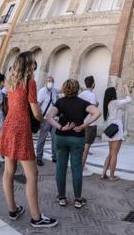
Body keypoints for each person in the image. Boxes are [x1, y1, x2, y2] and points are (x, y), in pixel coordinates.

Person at [0, 51, 58, 228]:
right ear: (29, 65)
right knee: (32, 174)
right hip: (21, 129)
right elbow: (35, 111)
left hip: (8, 126)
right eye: (33, 64)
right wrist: (43, 118)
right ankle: (36, 217)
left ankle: (13, 209)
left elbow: (9, 104)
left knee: (9, 171)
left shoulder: (10, 82)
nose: (35, 66)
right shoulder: (30, 82)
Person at [44, 79, 101, 209]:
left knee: (60, 168)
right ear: (77, 89)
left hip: (61, 137)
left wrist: (60, 127)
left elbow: (48, 116)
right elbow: (98, 112)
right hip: (77, 138)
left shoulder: (60, 102)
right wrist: (84, 125)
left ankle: (62, 198)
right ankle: (78, 200)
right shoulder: (83, 103)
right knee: (76, 169)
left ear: (64, 88)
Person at [101, 84, 131, 181]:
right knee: (114, 154)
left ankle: (103, 173)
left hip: (111, 129)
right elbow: (129, 99)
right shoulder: (115, 102)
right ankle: (112, 176)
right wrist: (126, 89)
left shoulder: (109, 103)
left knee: (110, 153)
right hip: (117, 130)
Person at [36, 76, 59, 166]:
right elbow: (38, 105)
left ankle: (54, 157)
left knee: (55, 139)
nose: (50, 83)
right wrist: (39, 118)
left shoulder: (54, 90)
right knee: (42, 139)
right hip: (45, 119)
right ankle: (39, 157)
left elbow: (61, 90)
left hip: (54, 119)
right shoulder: (42, 92)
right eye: (49, 81)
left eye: (52, 81)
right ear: (46, 82)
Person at [78, 75, 98, 177]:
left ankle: (79, 165)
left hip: (82, 123)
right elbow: (93, 111)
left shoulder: (81, 94)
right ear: (93, 84)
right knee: (86, 147)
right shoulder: (91, 95)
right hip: (90, 124)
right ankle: (81, 168)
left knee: (81, 146)